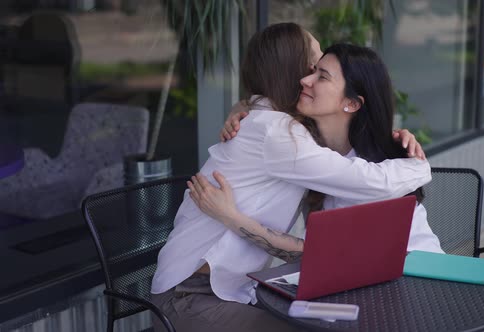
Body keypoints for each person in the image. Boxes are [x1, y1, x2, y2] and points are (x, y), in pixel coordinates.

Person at [151, 23, 431, 332]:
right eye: (313, 64)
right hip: (189, 298)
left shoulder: (287, 130)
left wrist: (241, 107)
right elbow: (373, 181)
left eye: (320, 71)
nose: (311, 75)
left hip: (230, 292)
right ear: (293, 71)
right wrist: (419, 165)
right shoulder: (279, 133)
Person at [191, 44, 443, 266]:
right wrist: (240, 111)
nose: (305, 80)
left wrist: (231, 217)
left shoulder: (372, 170)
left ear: (352, 104)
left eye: (321, 76)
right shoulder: (301, 152)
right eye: (311, 70)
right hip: (362, 282)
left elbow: (322, 256)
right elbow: (260, 106)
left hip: (417, 274)